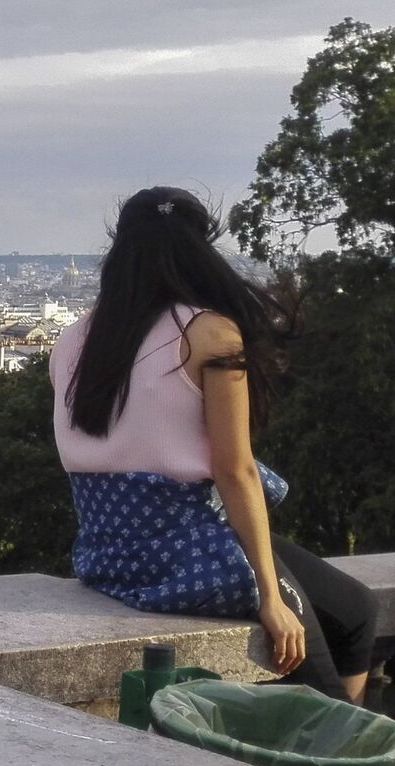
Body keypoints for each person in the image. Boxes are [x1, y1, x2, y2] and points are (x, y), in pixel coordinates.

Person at [50, 187, 379, 703]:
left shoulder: (75, 339)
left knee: (356, 610)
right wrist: (270, 597)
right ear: (200, 248)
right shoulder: (209, 332)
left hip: (109, 552)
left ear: (120, 250)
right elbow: (235, 470)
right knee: (322, 703)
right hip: (190, 548)